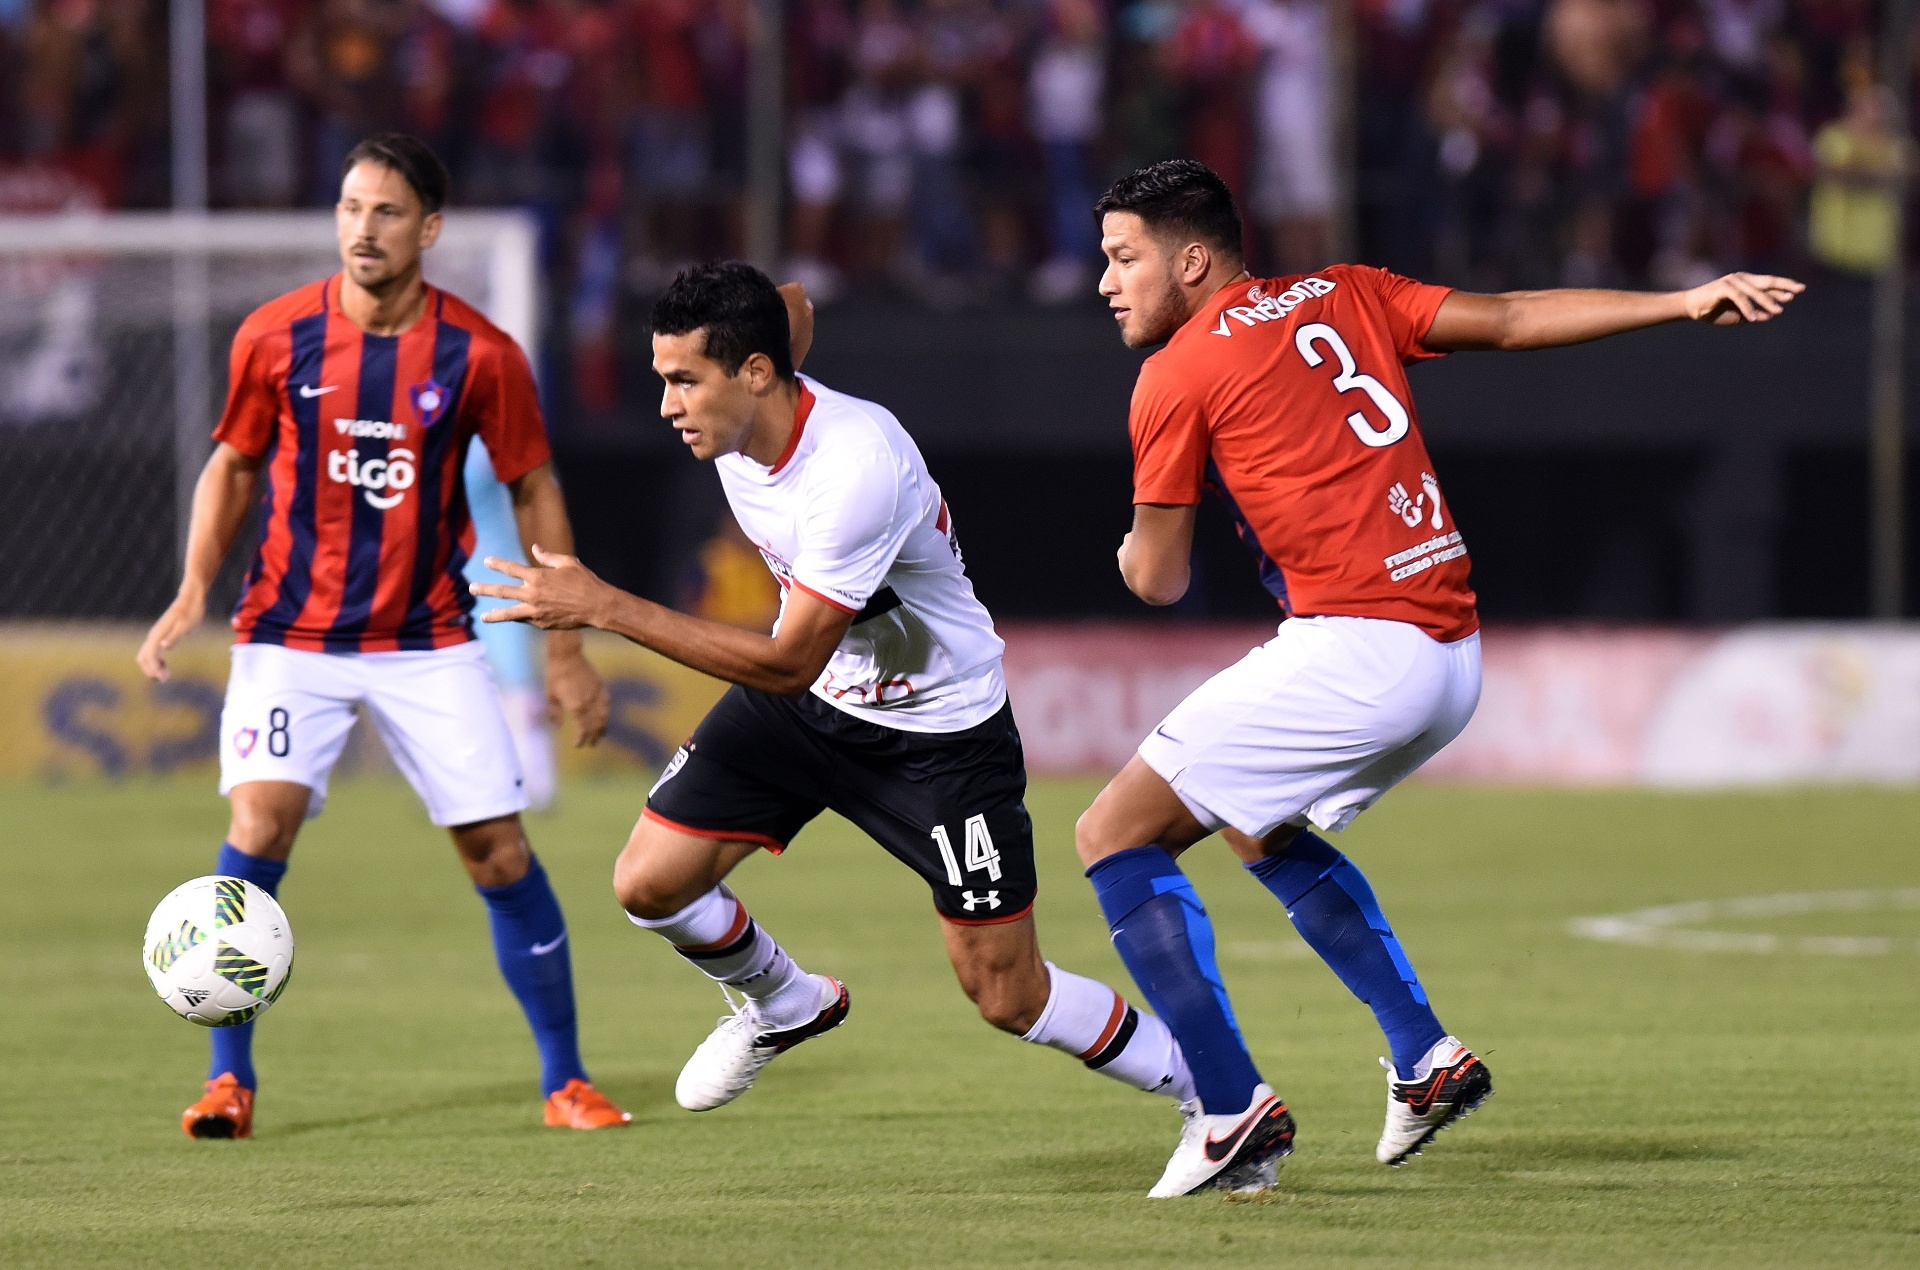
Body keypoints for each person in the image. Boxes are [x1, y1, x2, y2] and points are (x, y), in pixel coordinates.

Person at [1079, 159, 1802, 1194]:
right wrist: (1683, 301)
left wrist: (1124, 550)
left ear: (1191, 261)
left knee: (1112, 834)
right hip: (1451, 654)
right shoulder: (1346, 290)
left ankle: (1230, 1108)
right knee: (1250, 822)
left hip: (1358, 645)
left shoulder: (1175, 373)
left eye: (1123, 257)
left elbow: (1158, 580)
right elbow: (1510, 317)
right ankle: (1423, 1056)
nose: (1107, 281)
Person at [469, 262, 1247, 1189]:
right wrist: (765, 316)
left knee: (1006, 992)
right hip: (816, 705)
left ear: (754, 373)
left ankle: (1218, 1094)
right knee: (649, 882)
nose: (668, 405)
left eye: (684, 380)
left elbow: (786, 659)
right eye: (661, 378)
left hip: (939, 735)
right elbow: (791, 307)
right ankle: (783, 1002)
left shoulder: (853, 468)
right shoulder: (747, 405)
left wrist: (605, 607)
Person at [135, 133, 627, 1140]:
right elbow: (233, 465)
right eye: (352, 207)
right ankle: (228, 1082)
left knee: (498, 851)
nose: (364, 228)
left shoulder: (481, 355)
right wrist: (191, 589)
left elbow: (533, 484)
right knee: (259, 826)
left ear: (430, 229)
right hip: (288, 633)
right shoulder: (275, 335)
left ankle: (566, 1080)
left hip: (428, 638)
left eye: (388, 212)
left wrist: (567, 648)